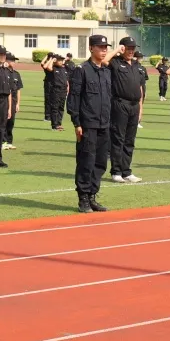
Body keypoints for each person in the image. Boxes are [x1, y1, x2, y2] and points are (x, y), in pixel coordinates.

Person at [67, 34, 112, 212]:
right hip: (88, 124)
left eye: (105, 47)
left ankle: (93, 194)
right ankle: (83, 198)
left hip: (104, 124)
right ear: (91, 48)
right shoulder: (82, 70)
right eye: (100, 47)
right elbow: (74, 98)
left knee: (100, 162)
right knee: (86, 161)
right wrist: (77, 123)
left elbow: (109, 98)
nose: (104, 50)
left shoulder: (106, 71)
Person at [107, 37, 144, 184]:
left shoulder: (136, 65)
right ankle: (116, 171)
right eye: (128, 48)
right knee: (118, 139)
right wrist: (116, 50)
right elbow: (104, 61)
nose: (131, 51)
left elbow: (140, 88)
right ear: (123, 48)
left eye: (132, 48)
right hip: (120, 104)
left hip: (134, 106)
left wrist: (141, 108)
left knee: (130, 140)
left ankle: (126, 171)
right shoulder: (116, 62)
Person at [4, 54, 22, 151]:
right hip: (4, 100)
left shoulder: (16, 74)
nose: (14, 63)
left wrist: (18, 103)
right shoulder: (3, 72)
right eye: (12, 60)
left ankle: (9, 141)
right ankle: (2, 142)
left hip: (13, 101)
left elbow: (18, 89)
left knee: (11, 122)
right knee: (3, 121)